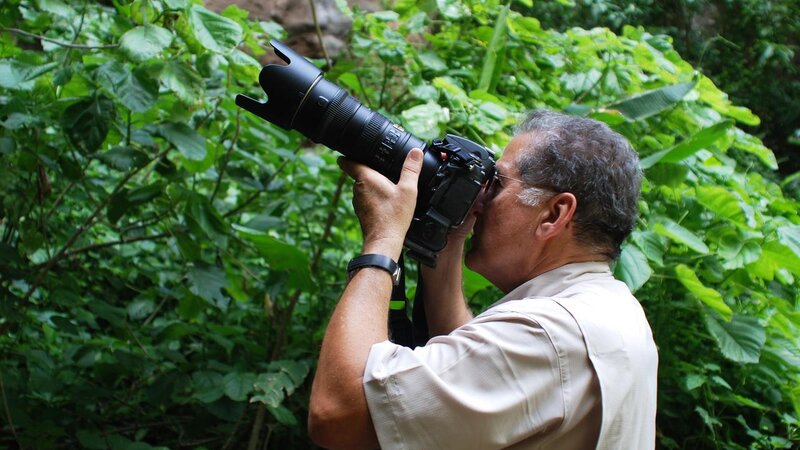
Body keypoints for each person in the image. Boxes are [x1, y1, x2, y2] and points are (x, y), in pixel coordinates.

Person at [308, 110, 658, 450]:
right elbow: (472, 364)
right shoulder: (613, 309)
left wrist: (383, 240)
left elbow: (340, 415)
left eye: (496, 183)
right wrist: (446, 240)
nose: (480, 200)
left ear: (554, 214)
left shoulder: (547, 335)